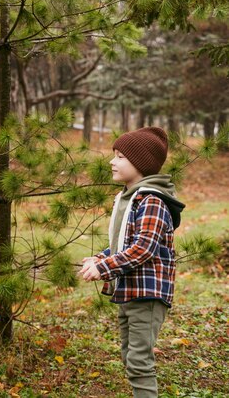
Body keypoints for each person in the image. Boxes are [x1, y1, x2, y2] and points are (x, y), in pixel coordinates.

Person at [79, 127, 185, 398]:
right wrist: (101, 257)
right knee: (130, 357)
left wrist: (104, 268)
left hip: (146, 295)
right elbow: (124, 244)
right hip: (129, 292)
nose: (112, 161)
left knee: (139, 363)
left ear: (141, 163)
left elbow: (143, 248)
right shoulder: (130, 198)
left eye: (121, 156)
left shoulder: (152, 201)